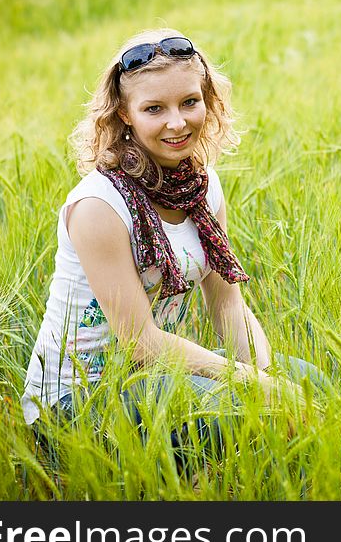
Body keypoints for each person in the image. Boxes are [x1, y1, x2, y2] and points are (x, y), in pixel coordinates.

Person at [20, 28, 324, 450]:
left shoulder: (203, 188)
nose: (177, 122)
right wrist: (250, 384)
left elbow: (227, 304)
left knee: (312, 385)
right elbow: (141, 342)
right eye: (154, 108)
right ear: (124, 114)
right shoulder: (99, 206)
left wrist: (267, 377)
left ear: (207, 99)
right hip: (78, 404)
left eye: (189, 102)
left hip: (156, 380)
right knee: (235, 412)